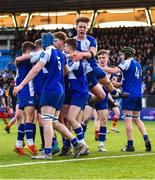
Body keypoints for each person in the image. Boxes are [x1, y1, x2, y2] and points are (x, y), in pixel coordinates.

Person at [13, 32, 88, 159]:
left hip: (50, 89)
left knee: (46, 120)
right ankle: (77, 143)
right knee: (54, 121)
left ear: (44, 42)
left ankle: (47, 152)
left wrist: (20, 85)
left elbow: (35, 69)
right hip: (60, 90)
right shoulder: (61, 54)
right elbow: (66, 71)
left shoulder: (46, 52)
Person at [103, 47, 151, 152]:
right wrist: (115, 84)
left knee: (127, 119)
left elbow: (113, 70)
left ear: (126, 55)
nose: (121, 57)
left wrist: (100, 67)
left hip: (128, 95)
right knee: (137, 118)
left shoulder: (126, 62)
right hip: (138, 94)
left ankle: (130, 145)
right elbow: (127, 81)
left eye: (122, 55)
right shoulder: (137, 64)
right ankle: (146, 138)